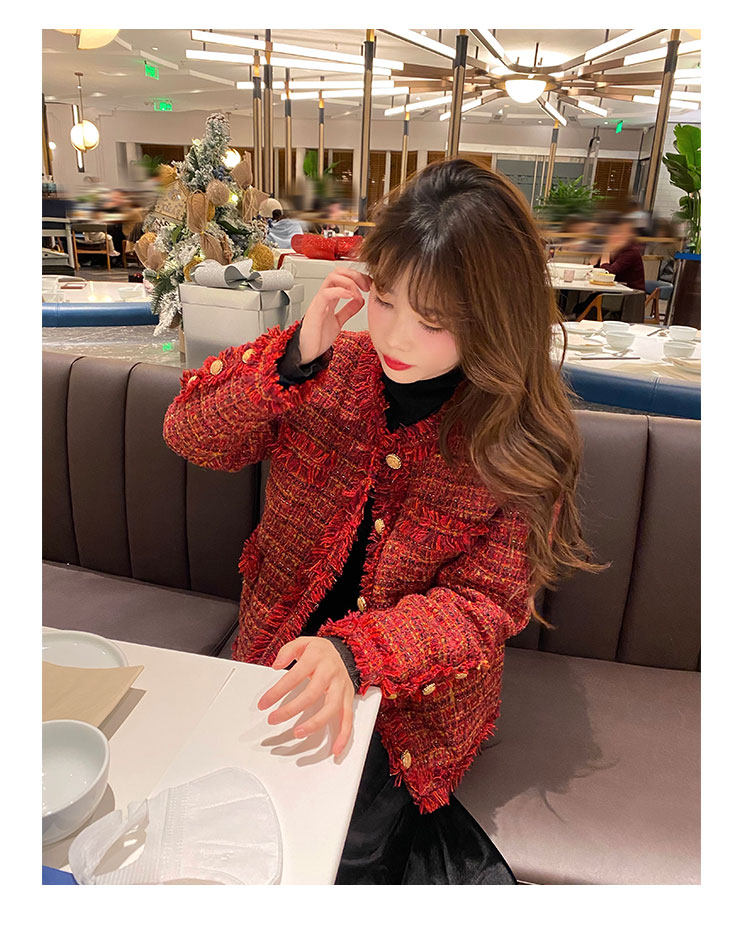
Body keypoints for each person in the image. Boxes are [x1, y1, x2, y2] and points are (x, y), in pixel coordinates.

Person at [162, 159, 602, 885]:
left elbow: (484, 604)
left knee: (329, 853)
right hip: (273, 659)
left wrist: (355, 652)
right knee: (202, 822)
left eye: (434, 321)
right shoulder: (329, 366)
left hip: (405, 703)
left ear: (496, 319)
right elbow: (191, 433)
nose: (397, 336)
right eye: (387, 300)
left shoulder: (515, 438)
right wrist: (295, 357)